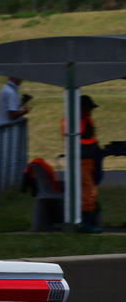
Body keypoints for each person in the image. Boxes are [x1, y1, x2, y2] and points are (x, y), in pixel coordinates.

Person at [61, 94, 103, 233]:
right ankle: (85, 223)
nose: (90, 111)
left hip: (89, 161)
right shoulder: (73, 121)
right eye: (88, 108)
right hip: (80, 161)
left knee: (89, 192)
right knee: (87, 192)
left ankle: (88, 220)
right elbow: (74, 143)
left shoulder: (85, 119)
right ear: (81, 108)